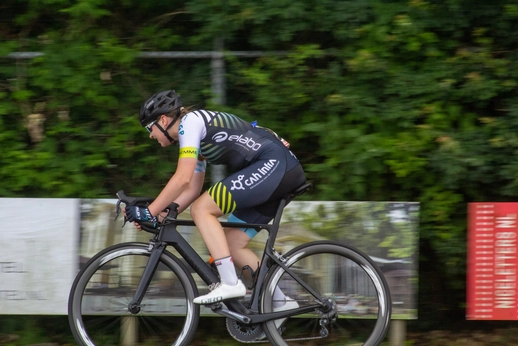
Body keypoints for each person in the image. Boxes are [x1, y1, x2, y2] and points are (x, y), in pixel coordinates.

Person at [125, 90, 306, 310]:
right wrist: (163, 214)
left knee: (202, 209)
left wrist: (149, 211)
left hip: (274, 166)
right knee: (230, 245)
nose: (150, 135)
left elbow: (181, 178)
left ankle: (230, 282)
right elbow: (192, 188)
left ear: (162, 120)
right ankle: (281, 303)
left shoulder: (189, 123)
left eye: (149, 128)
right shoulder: (192, 134)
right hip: (277, 171)